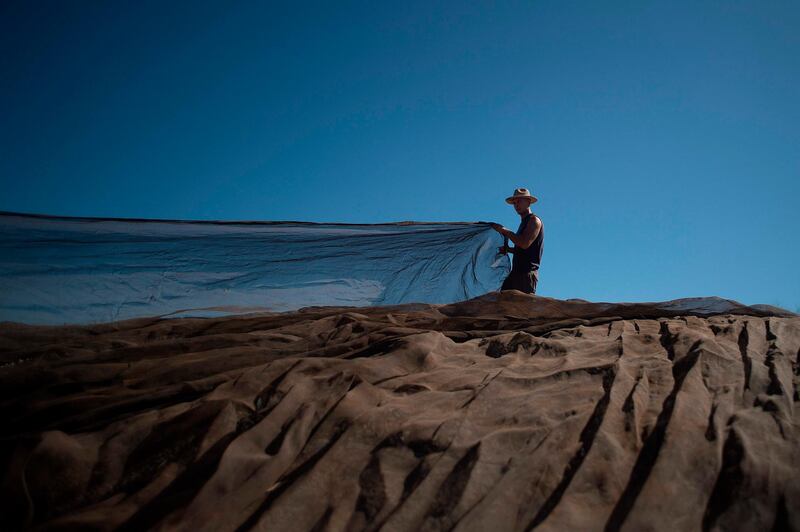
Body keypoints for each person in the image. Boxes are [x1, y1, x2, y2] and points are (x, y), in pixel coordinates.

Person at [490, 188, 544, 294]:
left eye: (519, 201)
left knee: (521, 308)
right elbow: (525, 250)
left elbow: (524, 244)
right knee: (503, 304)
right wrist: (509, 250)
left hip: (526, 274)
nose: (516, 205)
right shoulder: (524, 222)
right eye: (514, 202)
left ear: (528, 201)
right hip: (516, 273)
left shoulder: (534, 220)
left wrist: (504, 230)